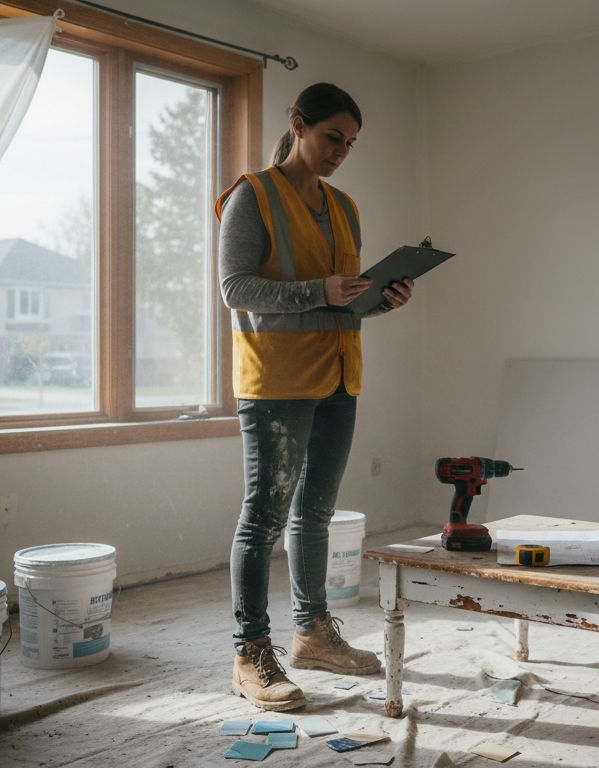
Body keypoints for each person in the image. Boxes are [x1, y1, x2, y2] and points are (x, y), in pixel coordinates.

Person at [215, 82, 414, 712]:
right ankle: (250, 653)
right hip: (276, 380)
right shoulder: (252, 195)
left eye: (350, 144)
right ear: (298, 125)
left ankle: (313, 634)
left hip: (337, 376)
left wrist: (379, 301)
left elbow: (342, 300)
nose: (340, 152)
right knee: (263, 518)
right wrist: (316, 293)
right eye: (333, 137)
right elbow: (235, 288)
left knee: (315, 515)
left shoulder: (345, 206)